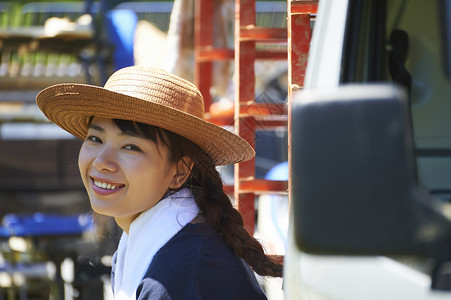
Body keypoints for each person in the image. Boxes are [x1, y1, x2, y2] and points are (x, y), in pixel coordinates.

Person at [36, 66, 283, 299]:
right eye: (95, 139)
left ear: (180, 171)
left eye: (130, 147)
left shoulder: (177, 275)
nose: (102, 162)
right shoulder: (164, 247)